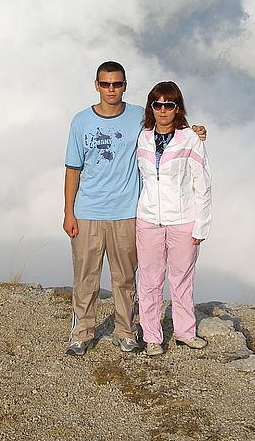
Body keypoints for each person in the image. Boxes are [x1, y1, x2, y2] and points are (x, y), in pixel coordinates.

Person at [63, 62, 206, 357]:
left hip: (129, 212)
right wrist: (68, 212)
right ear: (96, 85)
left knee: (125, 279)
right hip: (88, 211)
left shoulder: (137, 119)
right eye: (106, 84)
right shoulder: (80, 121)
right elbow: (72, 169)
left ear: (125, 85)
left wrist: (195, 131)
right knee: (85, 278)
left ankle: (126, 331)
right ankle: (80, 334)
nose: (111, 89)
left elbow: (167, 131)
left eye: (117, 84)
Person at [135, 81, 211, 356]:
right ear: (151, 107)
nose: (163, 110)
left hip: (183, 220)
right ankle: (152, 336)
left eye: (169, 104)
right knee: (150, 279)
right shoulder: (141, 136)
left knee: (181, 278)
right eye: (158, 104)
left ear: (178, 108)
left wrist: (202, 224)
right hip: (148, 220)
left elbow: (202, 183)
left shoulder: (189, 139)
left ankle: (185, 332)